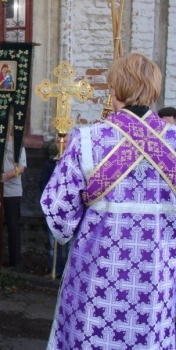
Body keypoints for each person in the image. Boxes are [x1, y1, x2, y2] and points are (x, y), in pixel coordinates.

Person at [41, 53, 176, 349]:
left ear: (113, 89)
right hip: (158, 285)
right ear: (154, 88)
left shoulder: (87, 140)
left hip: (96, 285)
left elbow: (59, 216)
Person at [0, 130, 26, 268]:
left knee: (13, 225)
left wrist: (7, 175)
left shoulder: (18, 145)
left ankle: (15, 262)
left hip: (12, 191)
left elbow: (22, 167)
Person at [39, 133, 70, 278]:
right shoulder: (49, 164)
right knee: (53, 242)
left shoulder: (75, 163)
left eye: (65, 141)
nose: (62, 144)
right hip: (54, 209)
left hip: (71, 210)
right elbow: (43, 184)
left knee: (70, 244)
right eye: (58, 142)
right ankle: (54, 270)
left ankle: (68, 273)